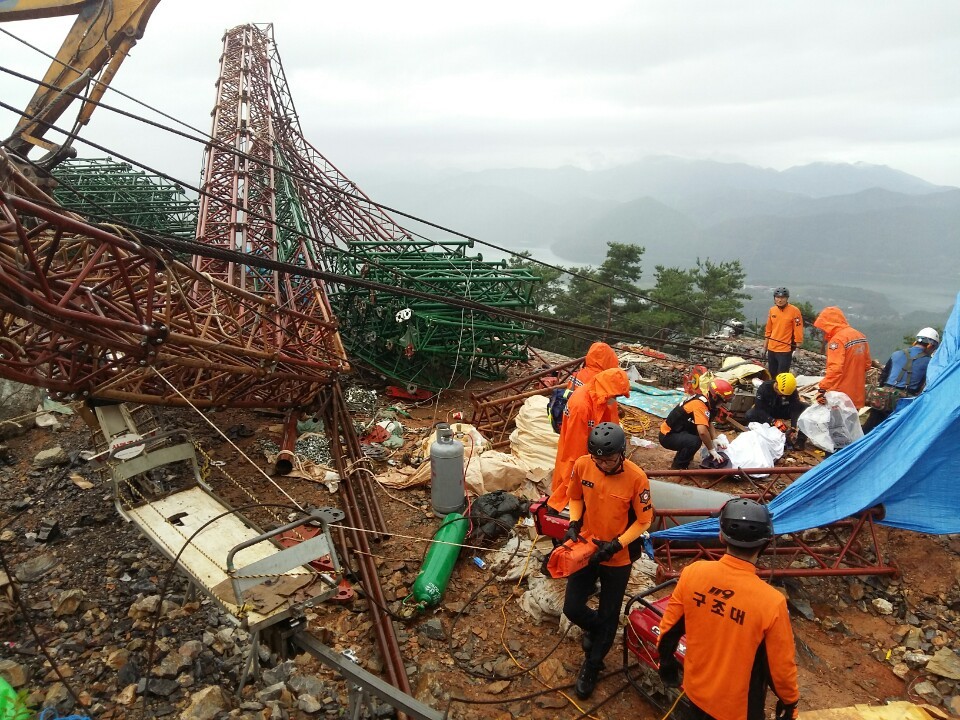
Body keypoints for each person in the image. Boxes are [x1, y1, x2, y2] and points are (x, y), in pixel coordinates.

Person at [657, 499, 800, 720]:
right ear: (765, 543)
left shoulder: (693, 573)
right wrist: (790, 704)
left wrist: (666, 663)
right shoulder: (771, 602)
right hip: (738, 710)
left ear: (721, 536)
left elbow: (668, 631)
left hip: (695, 692)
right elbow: (779, 668)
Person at [563, 423, 653, 699]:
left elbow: (644, 520)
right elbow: (575, 497)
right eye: (598, 459)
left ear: (621, 454)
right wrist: (574, 522)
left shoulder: (637, 479)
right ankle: (599, 629)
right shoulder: (583, 465)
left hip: (618, 556)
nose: (603, 465)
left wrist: (617, 544)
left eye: (609, 460)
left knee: (609, 611)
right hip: (588, 548)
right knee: (572, 607)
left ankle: (593, 664)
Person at [548, 367, 630, 511]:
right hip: (578, 449)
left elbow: (609, 422)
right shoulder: (582, 406)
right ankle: (561, 503)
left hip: (593, 445)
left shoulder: (601, 396)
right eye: (616, 396)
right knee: (570, 477)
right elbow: (575, 451)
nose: (615, 400)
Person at [863, 327, 940, 432]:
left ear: (915, 341)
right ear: (931, 345)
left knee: (869, 428)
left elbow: (883, 377)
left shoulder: (896, 354)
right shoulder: (929, 362)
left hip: (882, 397)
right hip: (903, 402)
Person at [658, 378, 734, 470]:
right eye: (723, 401)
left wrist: (714, 438)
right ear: (715, 397)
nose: (724, 403)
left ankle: (685, 456)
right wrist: (712, 450)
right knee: (695, 441)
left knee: (697, 433)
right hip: (667, 435)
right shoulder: (700, 405)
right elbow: (702, 432)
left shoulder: (709, 403)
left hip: (678, 430)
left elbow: (708, 422)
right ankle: (678, 468)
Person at [813, 307, 871, 408]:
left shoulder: (837, 340)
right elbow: (867, 365)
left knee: (836, 423)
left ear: (828, 323)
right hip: (857, 395)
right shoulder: (860, 336)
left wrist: (822, 389)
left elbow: (835, 369)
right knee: (851, 423)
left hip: (840, 396)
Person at [745, 372, 809, 447]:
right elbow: (759, 408)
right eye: (780, 392)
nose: (782, 395)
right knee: (750, 414)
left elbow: (795, 408)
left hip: (784, 409)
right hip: (769, 411)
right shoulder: (764, 388)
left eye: (785, 395)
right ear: (776, 384)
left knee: (806, 408)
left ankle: (800, 441)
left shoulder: (791, 390)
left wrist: (793, 426)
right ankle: (767, 431)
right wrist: (772, 421)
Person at [764, 288, 804, 376]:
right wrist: (765, 347)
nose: (780, 300)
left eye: (782, 298)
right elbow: (768, 330)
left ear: (787, 298)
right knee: (772, 375)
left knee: (782, 376)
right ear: (774, 298)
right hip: (771, 349)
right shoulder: (772, 310)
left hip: (785, 350)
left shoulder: (794, 311)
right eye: (777, 297)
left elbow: (798, 330)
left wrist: (797, 349)